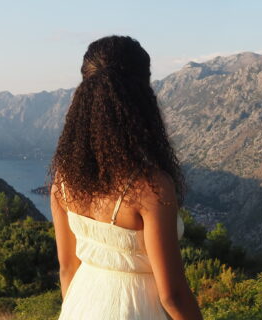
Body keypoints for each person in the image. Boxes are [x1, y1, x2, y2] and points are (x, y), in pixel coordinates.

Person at [49, 35, 203, 320]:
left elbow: (67, 269)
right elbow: (173, 295)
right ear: (141, 97)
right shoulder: (150, 188)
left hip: (80, 304)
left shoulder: (64, 180)